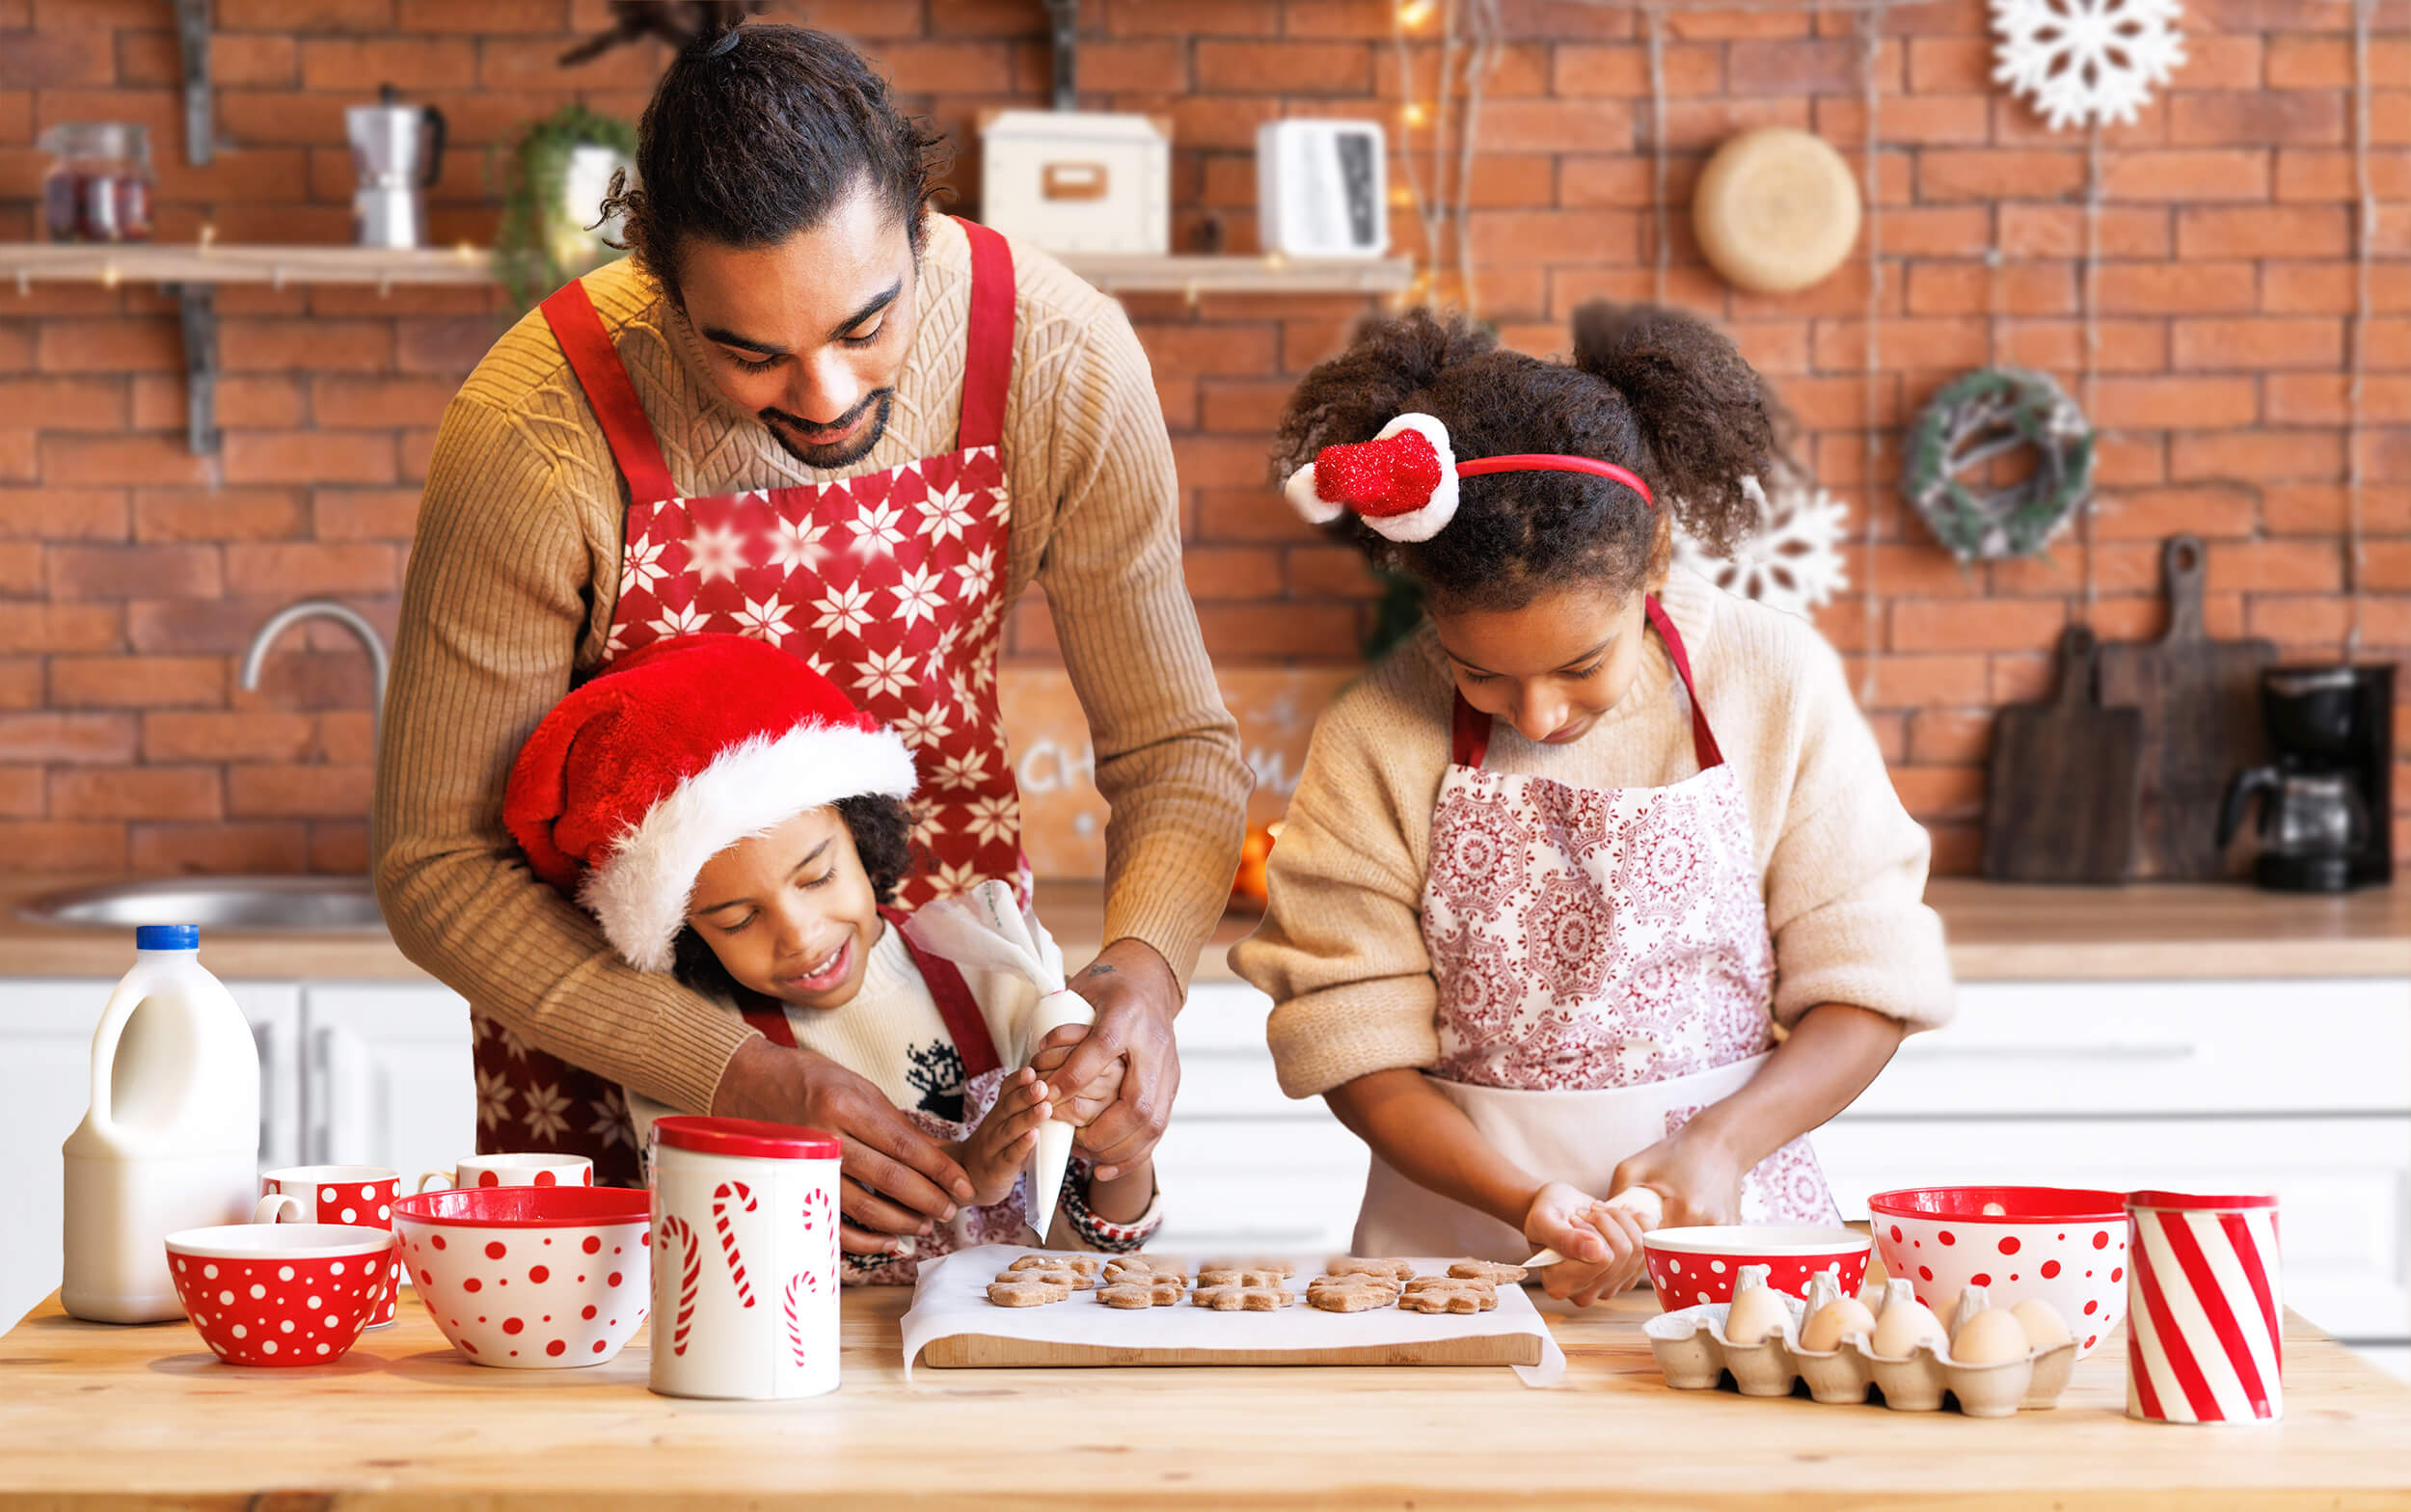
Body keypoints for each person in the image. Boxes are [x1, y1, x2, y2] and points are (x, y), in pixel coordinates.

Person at [373, 20, 1247, 1261]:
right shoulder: (533, 427)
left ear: (921, 224)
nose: (827, 396)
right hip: (619, 1074)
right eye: (750, 353)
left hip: (950, 1043)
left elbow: (1177, 750)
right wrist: (727, 1073)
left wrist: (1149, 978)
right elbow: (436, 867)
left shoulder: (1057, 355)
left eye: (866, 323)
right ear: (663, 294)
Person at [1230, 303, 1955, 1306]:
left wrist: (1719, 1143)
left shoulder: (1766, 678)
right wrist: (1530, 1203)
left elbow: (1866, 979)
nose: (1538, 710)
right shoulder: (1377, 732)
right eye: (1480, 673)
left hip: (1738, 1247)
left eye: (1581, 663)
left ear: (1654, 553)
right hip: (1457, 1258)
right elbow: (1354, 1042)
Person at [502, 634, 1160, 1277]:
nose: (799, 935)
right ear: (686, 933)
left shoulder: (995, 969)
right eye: (738, 919)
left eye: (817, 877)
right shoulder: (688, 1049)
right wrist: (963, 1173)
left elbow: (1103, 1250)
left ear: (864, 834)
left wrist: (1115, 1139)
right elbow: (725, 1264)